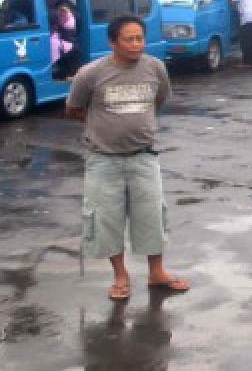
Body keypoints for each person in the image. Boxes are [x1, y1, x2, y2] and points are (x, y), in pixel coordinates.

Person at [65, 15, 188, 301]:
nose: (136, 44)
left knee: (152, 217)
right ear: (112, 42)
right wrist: (103, 123)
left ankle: (157, 273)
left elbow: (159, 100)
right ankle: (120, 277)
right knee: (107, 220)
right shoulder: (91, 74)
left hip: (144, 157)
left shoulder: (155, 68)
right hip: (103, 159)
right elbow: (73, 109)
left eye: (140, 38)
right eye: (129, 39)